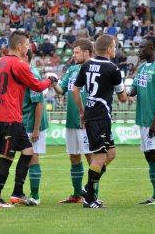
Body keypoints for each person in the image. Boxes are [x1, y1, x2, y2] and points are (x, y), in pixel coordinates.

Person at [0, 31, 58, 208]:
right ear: (19, 46)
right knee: (7, 157)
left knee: (28, 152)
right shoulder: (20, 65)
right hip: (9, 119)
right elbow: (37, 86)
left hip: (10, 118)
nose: (29, 47)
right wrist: (51, 79)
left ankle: (17, 193)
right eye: (27, 44)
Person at [72, 34, 127, 208]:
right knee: (100, 156)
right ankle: (89, 199)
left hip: (93, 115)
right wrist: (132, 94)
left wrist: (82, 112)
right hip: (100, 117)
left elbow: (75, 90)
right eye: (115, 46)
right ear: (110, 49)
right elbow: (123, 98)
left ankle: (88, 188)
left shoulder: (87, 65)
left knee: (111, 154)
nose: (115, 49)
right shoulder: (113, 69)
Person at [128, 35, 155, 205]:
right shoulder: (142, 68)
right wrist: (124, 92)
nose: (139, 51)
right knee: (148, 156)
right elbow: (134, 88)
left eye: (142, 47)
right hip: (143, 120)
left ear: (152, 48)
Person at [51, 39, 95, 203]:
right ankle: (77, 194)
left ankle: (92, 195)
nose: (73, 55)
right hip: (71, 121)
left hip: (87, 122)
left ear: (86, 52)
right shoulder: (72, 70)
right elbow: (62, 90)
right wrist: (54, 84)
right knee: (74, 158)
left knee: (91, 159)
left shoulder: (93, 69)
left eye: (76, 52)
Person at [22, 50, 49, 205]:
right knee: (24, 156)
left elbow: (39, 103)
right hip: (22, 121)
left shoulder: (33, 74)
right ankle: (20, 192)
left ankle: (35, 196)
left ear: (25, 57)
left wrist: (36, 129)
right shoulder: (22, 72)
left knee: (33, 155)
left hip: (33, 123)